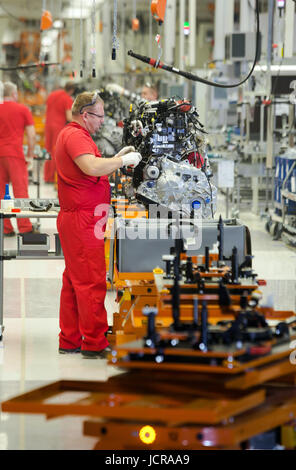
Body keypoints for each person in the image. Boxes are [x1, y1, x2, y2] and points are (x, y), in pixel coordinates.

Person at [55, 90, 142, 359]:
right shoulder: (74, 136)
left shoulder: (77, 136)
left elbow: (92, 167)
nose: (102, 122)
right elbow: (91, 168)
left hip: (82, 216)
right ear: (85, 115)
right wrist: (122, 161)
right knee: (91, 280)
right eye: (99, 117)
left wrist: (118, 156)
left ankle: (70, 339)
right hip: (81, 219)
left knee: (74, 280)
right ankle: (94, 342)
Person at [0, 81, 36, 236]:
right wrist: (30, 155)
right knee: (20, 190)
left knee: (1, 193)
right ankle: (24, 227)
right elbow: (32, 135)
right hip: (15, 154)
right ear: (15, 94)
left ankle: (5, 228)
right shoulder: (22, 109)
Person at [44, 81, 76, 183]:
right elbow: (69, 116)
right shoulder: (67, 98)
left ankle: (47, 176)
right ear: (71, 90)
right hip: (58, 126)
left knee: (48, 150)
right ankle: (52, 178)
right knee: (55, 151)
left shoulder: (52, 94)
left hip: (48, 125)